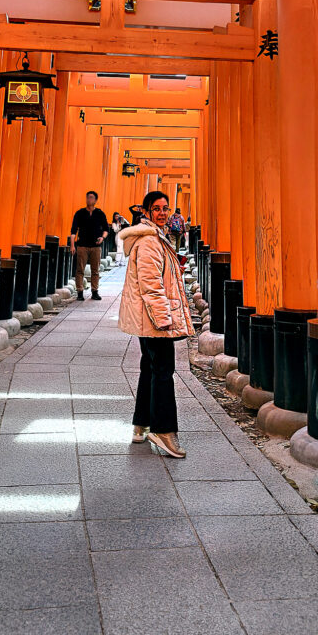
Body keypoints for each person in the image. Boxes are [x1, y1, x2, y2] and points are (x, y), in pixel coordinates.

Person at [117, 190, 194, 458]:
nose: (162, 213)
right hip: (153, 319)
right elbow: (151, 287)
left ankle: (141, 425)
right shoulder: (150, 242)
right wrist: (164, 320)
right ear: (147, 212)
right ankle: (164, 431)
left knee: (149, 368)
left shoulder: (154, 237)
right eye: (156, 208)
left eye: (165, 208)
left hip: (146, 318)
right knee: (163, 371)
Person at [70, 191, 109, 301]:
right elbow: (73, 230)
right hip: (82, 245)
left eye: (91, 198)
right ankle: (80, 292)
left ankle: (95, 291)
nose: (89, 200)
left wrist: (102, 238)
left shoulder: (100, 214)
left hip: (96, 246)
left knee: (95, 270)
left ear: (96, 200)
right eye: (87, 197)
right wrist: (72, 245)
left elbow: (106, 229)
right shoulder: (80, 213)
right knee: (80, 270)